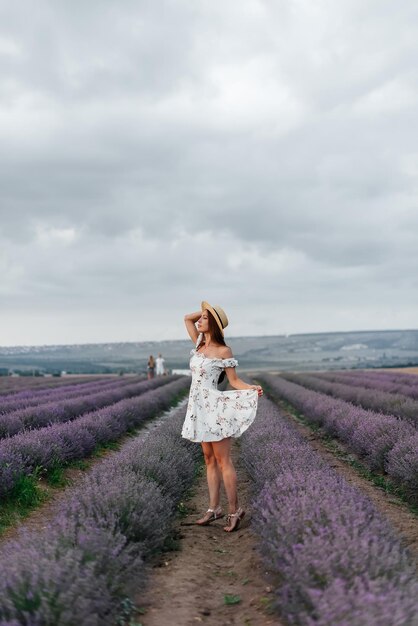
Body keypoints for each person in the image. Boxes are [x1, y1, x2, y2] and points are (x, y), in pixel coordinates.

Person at [182, 301, 263, 532]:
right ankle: (214, 508)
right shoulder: (198, 344)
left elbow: (234, 381)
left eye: (205, 319)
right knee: (208, 459)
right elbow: (187, 317)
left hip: (214, 409)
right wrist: (207, 310)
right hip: (198, 408)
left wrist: (251, 388)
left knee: (223, 460)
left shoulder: (223, 351)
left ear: (214, 324)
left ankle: (234, 511)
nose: (199, 321)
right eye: (202, 317)